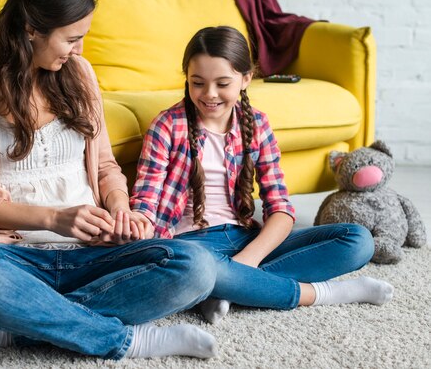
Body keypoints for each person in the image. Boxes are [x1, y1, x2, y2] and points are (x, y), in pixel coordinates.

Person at [0, 0, 219, 361]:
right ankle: (126, 340)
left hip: (92, 252)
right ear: (31, 28)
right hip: (14, 257)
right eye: (72, 38)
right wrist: (54, 219)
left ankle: (12, 328)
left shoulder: (79, 72)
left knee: (197, 266)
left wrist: (121, 210)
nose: (79, 49)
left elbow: (104, 168)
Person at [131, 25, 395, 324]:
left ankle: (227, 288)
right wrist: (135, 227)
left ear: (245, 79)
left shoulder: (256, 124)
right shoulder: (167, 126)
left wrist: (248, 260)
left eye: (222, 83)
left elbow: (280, 207)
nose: (209, 94)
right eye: (197, 83)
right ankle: (324, 293)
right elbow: (146, 200)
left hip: (245, 237)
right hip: (193, 247)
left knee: (358, 240)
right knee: (192, 268)